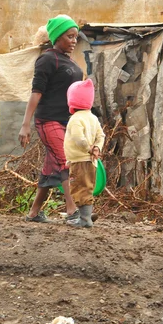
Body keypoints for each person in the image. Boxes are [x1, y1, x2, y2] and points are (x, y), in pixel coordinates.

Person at [19, 14, 83, 223]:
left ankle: (34, 213)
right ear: (57, 37)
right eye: (69, 36)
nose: (74, 41)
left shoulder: (68, 60)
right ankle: (73, 211)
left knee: (50, 169)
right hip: (48, 120)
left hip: (67, 120)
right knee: (67, 161)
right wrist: (25, 124)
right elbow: (36, 92)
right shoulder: (47, 59)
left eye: (75, 37)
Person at [63, 79, 105, 227]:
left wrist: (88, 148)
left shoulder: (75, 119)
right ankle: (84, 217)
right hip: (90, 161)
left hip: (80, 161)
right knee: (86, 187)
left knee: (79, 188)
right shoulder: (93, 118)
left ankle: (85, 219)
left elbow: (78, 139)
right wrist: (97, 148)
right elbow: (101, 136)